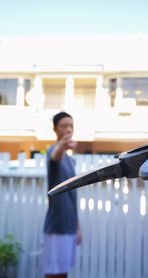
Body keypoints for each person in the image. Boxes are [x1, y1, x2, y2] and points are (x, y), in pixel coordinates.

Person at [43, 112, 82, 278]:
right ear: (54, 129)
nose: (68, 129)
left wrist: (77, 227)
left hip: (69, 225)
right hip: (57, 225)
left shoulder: (69, 159)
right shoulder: (54, 151)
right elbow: (55, 156)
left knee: (64, 272)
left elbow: (72, 197)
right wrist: (63, 144)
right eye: (64, 126)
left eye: (71, 126)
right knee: (53, 273)